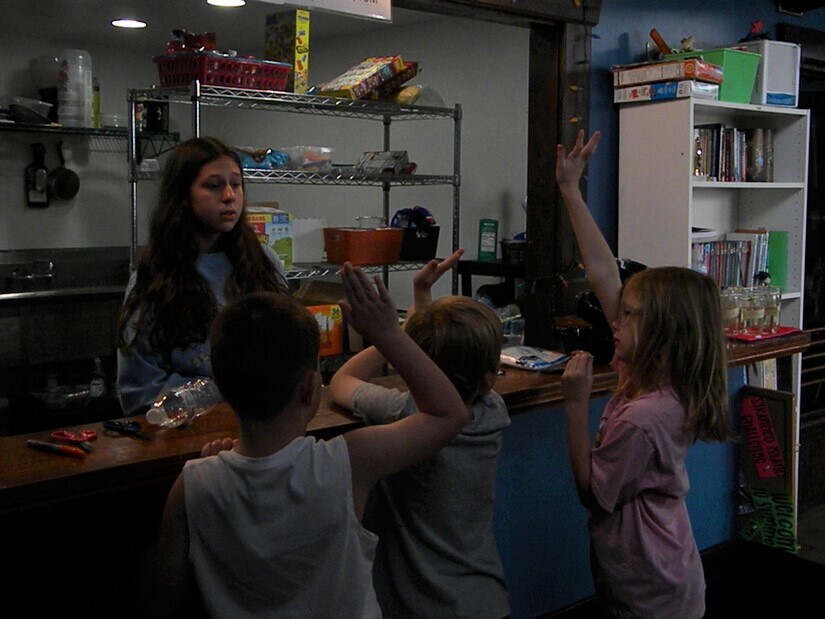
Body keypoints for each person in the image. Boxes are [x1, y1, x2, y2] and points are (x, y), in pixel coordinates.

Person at [138, 263, 469, 618]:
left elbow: (159, 600)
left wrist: (214, 469)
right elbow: (449, 414)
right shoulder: (349, 462)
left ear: (221, 389)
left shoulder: (193, 485)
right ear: (311, 389)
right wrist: (388, 334)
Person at [555, 130, 732, 619]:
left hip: (650, 588)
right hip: (654, 569)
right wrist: (571, 190)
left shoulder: (646, 415)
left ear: (657, 331)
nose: (614, 319)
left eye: (626, 314)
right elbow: (606, 275)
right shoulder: (656, 374)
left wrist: (575, 404)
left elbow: (592, 494)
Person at [329, 249, 511, 619]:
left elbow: (342, 382)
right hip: (483, 599)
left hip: (420, 606)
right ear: (490, 375)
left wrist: (389, 335)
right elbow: (433, 374)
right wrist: (421, 302)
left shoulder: (404, 412)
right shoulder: (494, 411)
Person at [116, 136, 288, 416]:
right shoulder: (155, 278)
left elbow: (288, 356)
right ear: (183, 196)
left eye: (236, 184)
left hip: (263, 426)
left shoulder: (264, 263)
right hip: (185, 433)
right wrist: (221, 394)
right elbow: (139, 389)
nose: (230, 196)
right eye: (214, 186)